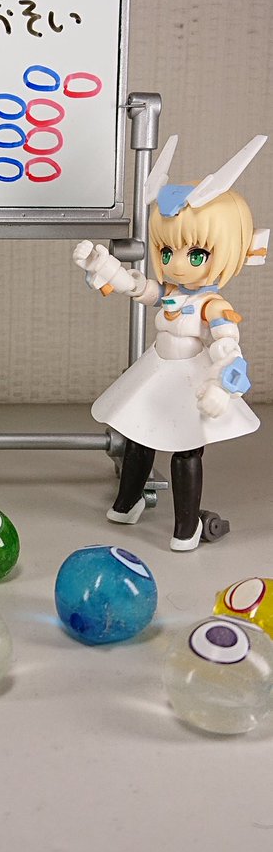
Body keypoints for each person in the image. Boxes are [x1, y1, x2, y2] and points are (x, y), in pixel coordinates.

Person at [73, 134, 268, 550]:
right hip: (158, 371)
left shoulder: (212, 304)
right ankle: (127, 503)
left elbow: (228, 347)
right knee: (138, 435)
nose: (176, 264)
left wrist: (220, 384)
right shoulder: (173, 293)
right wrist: (104, 266)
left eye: (195, 254)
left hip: (190, 378)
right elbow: (138, 288)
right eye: (166, 252)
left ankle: (186, 526)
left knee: (187, 450)